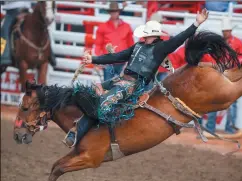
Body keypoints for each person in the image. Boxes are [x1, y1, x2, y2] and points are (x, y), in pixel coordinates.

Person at [63, 9, 210, 147]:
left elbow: (180, 38)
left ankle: (79, 133)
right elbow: (117, 56)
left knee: (104, 103)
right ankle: (81, 129)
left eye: (146, 35)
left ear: (153, 35)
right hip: (121, 80)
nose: (144, 37)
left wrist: (196, 23)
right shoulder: (138, 46)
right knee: (92, 93)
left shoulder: (161, 48)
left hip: (134, 85)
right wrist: (93, 59)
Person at [204, 17, 242, 134]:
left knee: (232, 103)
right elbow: (212, 56)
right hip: (220, 74)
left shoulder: (237, 42)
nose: (225, 33)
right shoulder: (219, 43)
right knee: (214, 100)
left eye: (226, 31)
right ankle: (210, 127)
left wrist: (231, 63)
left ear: (230, 31)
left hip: (232, 75)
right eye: (224, 31)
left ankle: (229, 127)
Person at [0, 1, 56, 67]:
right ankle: (4, 54)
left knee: (42, 26)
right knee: (4, 29)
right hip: (12, 11)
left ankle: (49, 53)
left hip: (27, 10)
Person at [94, 2, 134, 81]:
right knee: (107, 85)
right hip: (108, 62)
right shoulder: (102, 27)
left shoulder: (127, 26)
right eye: (112, 11)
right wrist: (99, 60)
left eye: (115, 11)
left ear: (119, 12)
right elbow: (98, 44)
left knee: (123, 86)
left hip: (123, 61)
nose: (114, 13)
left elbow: (131, 45)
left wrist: (129, 61)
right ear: (109, 13)